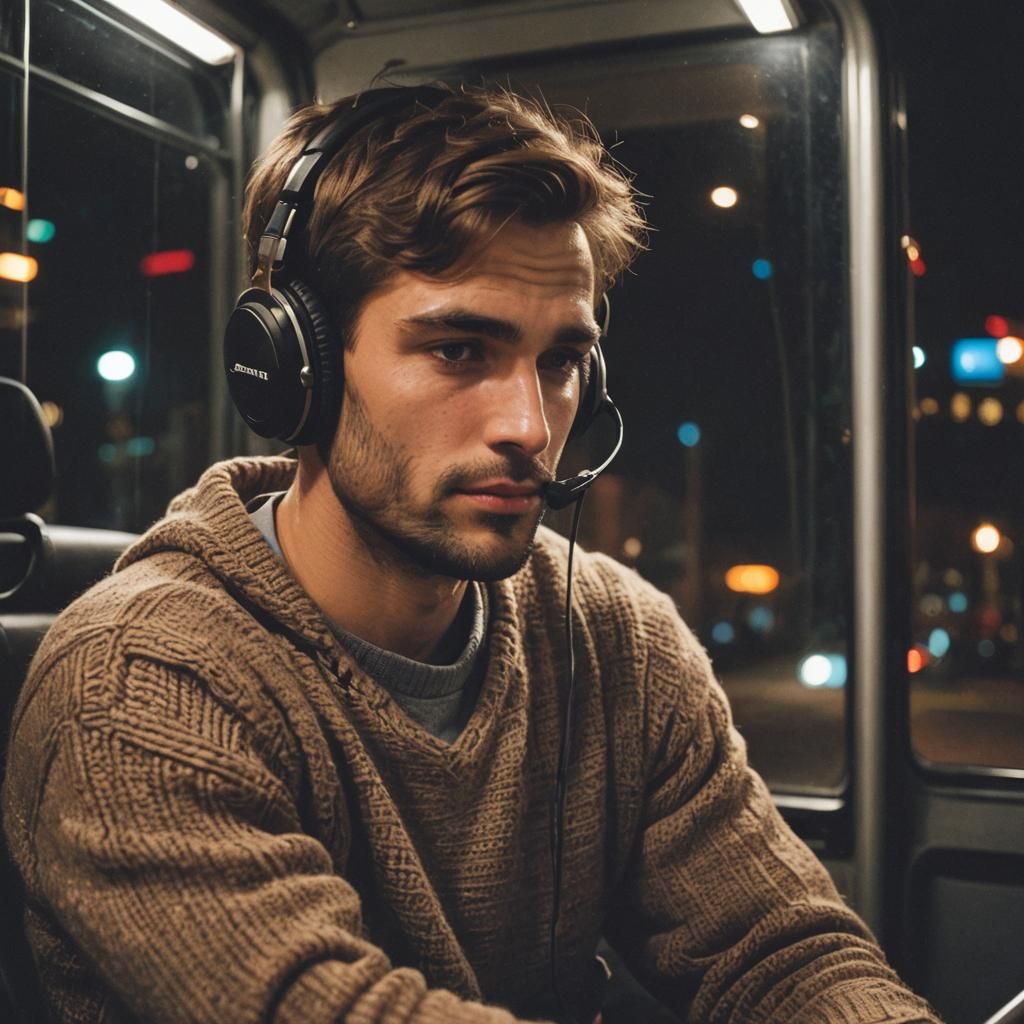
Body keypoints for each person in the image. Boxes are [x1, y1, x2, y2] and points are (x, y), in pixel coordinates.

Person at [2, 83, 940, 1024]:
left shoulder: (614, 636)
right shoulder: (135, 683)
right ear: (294, 367)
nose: (531, 426)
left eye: (562, 362)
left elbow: (782, 952)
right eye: (458, 350)